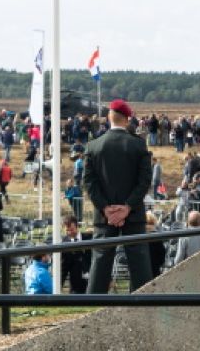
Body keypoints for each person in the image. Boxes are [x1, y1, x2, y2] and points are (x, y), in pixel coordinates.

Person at [85, 99, 154, 294]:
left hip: (104, 215)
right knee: (139, 264)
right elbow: (144, 182)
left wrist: (106, 208)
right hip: (132, 214)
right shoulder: (138, 146)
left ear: (109, 118)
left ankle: (92, 305)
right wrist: (127, 207)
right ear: (127, 119)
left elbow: (89, 183)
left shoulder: (94, 146)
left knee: (100, 263)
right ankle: (145, 304)